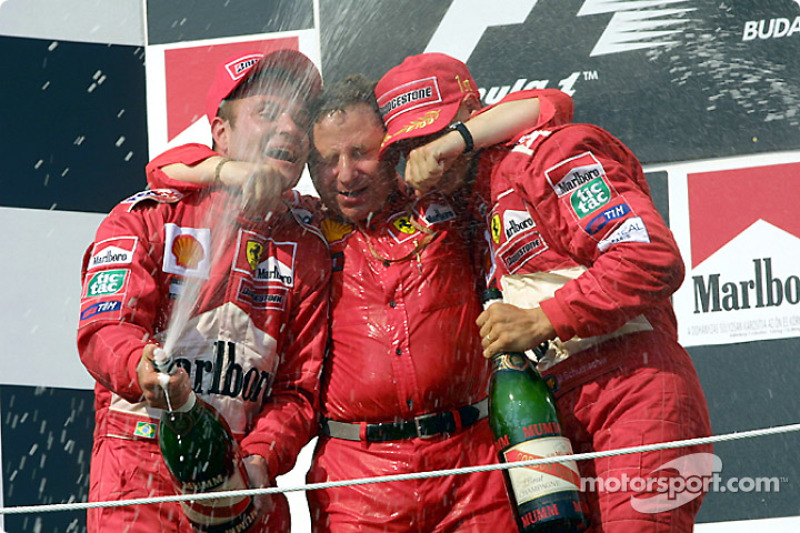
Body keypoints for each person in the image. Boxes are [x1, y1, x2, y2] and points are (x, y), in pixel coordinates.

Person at [145, 72, 573, 531]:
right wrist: (228, 169)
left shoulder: (442, 199)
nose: (345, 174)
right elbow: (165, 168)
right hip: (356, 481)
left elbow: (550, 105)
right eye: (328, 159)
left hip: (472, 464)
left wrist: (451, 142)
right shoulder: (300, 228)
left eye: (362, 153)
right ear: (309, 167)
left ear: (391, 149)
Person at [377, 52, 713, 532]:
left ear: (471, 112)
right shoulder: (462, 207)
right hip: (547, 419)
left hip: (632, 391)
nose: (429, 156)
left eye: (436, 134)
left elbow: (648, 256)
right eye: (411, 145)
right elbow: (544, 101)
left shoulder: (549, 154)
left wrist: (543, 319)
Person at [77, 49, 330, 533]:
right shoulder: (148, 215)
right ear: (221, 134)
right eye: (267, 113)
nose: (290, 130)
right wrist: (139, 367)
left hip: (242, 487)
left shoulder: (310, 242)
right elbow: (103, 330)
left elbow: (298, 391)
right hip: (139, 480)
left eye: (301, 119)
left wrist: (259, 461)